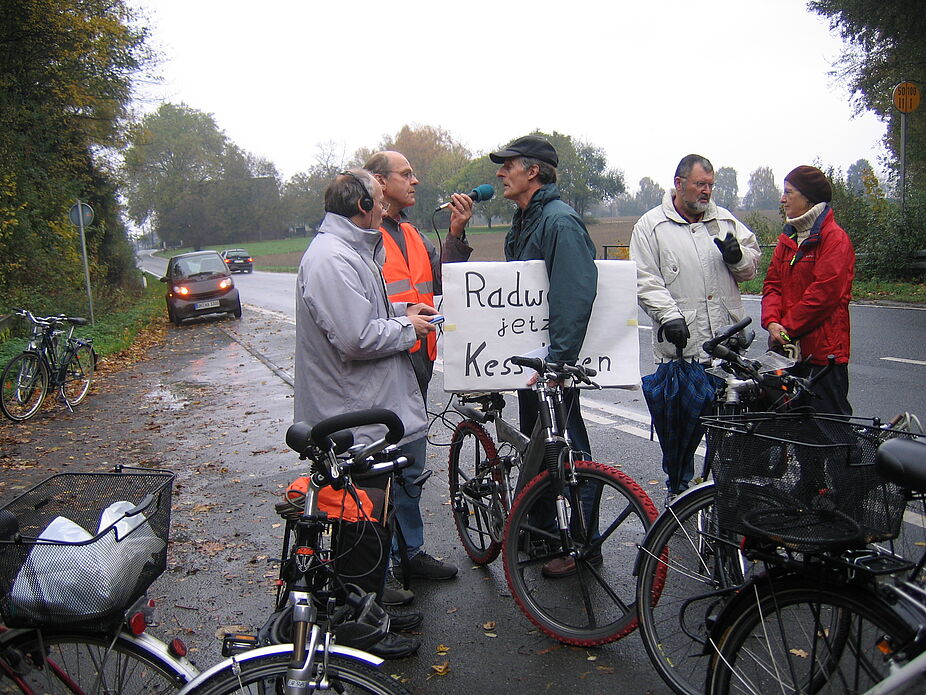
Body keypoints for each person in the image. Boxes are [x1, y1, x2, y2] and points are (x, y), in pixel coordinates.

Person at [294, 169, 438, 658]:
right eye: (378, 199)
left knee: (371, 515)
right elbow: (355, 337)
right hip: (348, 414)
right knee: (359, 520)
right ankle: (355, 634)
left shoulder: (351, 250)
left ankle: (370, 610)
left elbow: (362, 320)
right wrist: (408, 330)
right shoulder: (333, 258)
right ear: (361, 206)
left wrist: (403, 318)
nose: (384, 207)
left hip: (361, 408)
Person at [489, 135, 598, 578]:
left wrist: (557, 363)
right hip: (531, 363)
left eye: (508, 165)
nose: (500, 173)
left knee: (569, 452)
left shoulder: (559, 222)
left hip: (551, 366)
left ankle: (582, 543)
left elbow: (574, 296)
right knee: (539, 452)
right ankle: (543, 531)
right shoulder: (527, 219)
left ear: (532, 171)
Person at [363, 151, 471, 584]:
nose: (415, 181)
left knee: (411, 465)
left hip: (419, 363)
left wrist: (456, 235)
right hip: (383, 365)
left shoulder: (412, 234)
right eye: (405, 174)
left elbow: (444, 284)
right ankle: (381, 566)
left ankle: (411, 552)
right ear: (378, 182)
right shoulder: (364, 236)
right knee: (380, 468)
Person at [630, 154, 761, 499]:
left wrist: (738, 256)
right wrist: (668, 315)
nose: (707, 191)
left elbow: (750, 269)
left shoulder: (725, 221)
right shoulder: (651, 226)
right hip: (681, 353)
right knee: (680, 434)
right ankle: (679, 494)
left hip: (726, 350)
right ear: (679, 183)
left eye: (710, 185)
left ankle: (724, 498)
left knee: (728, 434)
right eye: (700, 184)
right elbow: (644, 279)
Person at [762, 165, 855, 415]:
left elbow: (824, 295)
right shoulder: (789, 238)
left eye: (788, 192)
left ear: (808, 197)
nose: (782, 199)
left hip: (823, 357)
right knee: (789, 428)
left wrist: (787, 330)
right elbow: (772, 285)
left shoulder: (834, 239)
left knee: (827, 434)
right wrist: (772, 322)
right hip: (788, 352)